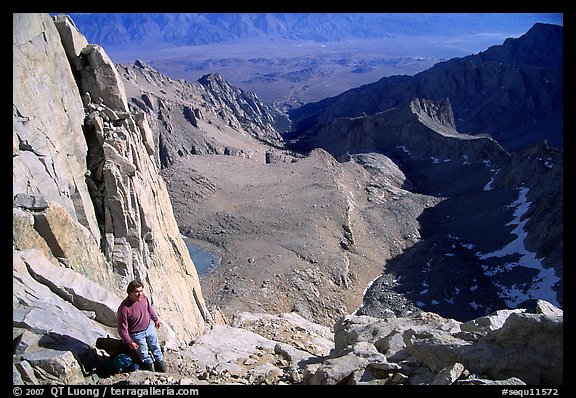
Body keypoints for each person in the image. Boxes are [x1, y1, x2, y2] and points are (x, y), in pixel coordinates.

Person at [117, 279, 167, 372]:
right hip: (137, 334)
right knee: (144, 354)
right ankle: (151, 373)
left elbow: (149, 308)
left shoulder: (143, 298)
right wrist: (129, 342)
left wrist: (155, 319)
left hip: (149, 328)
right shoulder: (124, 309)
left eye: (141, 291)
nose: (140, 294)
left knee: (156, 349)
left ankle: (162, 370)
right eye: (136, 292)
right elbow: (122, 329)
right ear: (130, 292)